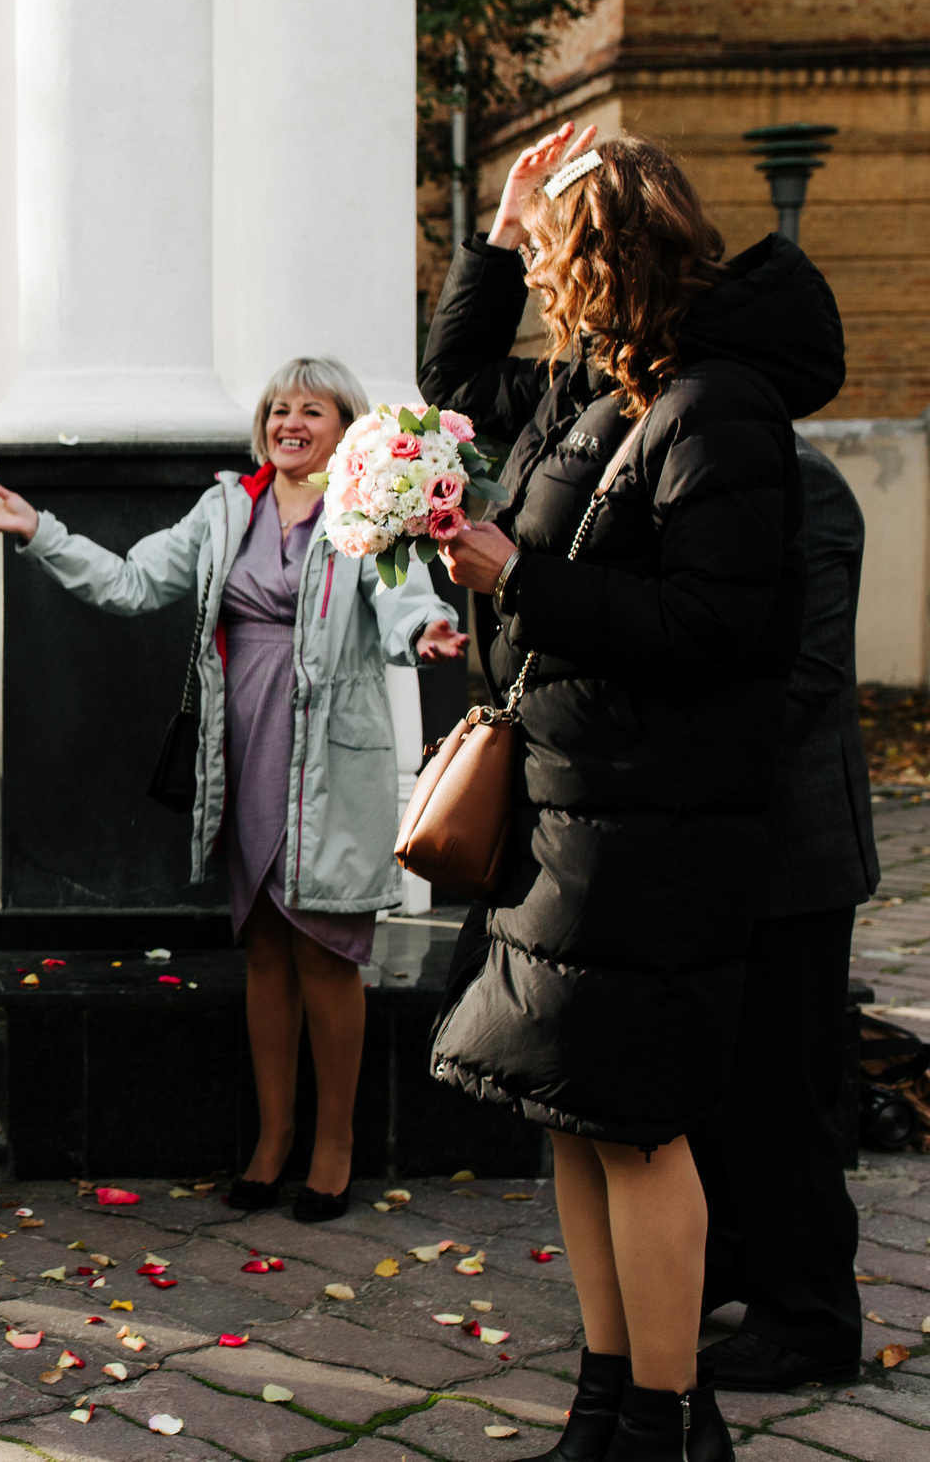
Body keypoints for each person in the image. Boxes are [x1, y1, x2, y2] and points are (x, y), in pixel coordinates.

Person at [422, 124, 844, 1462]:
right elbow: (459, 387)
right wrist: (497, 228)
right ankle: (604, 1404)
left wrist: (520, 583)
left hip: (657, 829)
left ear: (602, 262)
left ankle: (668, 1424)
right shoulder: (608, 400)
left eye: (549, 258)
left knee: (642, 1124)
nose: (542, 284)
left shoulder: (721, 408)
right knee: (576, 1111)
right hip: (572, 807)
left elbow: (716, 628)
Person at [0, 357, 461, 1222]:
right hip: (245, 748)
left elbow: (405, 603)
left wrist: (432, 628)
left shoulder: (372, 509)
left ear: (349, 427)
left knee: (329, 955)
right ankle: (272, 1139)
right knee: (265, 947)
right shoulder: (228, 505)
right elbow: (128, 583)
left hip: (334, 760)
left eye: (313, 408)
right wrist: (37, 527)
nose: (290, 421)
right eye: (278, 408)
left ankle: (333, 1145)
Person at [693, 436, 877, 1392]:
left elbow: (807, 677)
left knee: (789, 1089)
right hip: (715, 839)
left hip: (796, 845)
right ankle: (725, 1258)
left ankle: (809, 1318)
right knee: (720, 1076)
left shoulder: (809, 484)